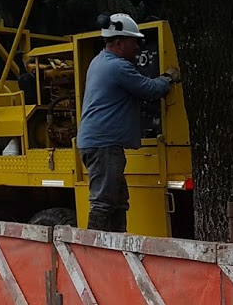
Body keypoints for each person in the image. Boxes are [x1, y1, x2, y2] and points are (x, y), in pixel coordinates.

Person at [77, 13, 180, 231]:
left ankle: (117, 248)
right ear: (119, 42)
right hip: (104, 144)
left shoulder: (99, 62)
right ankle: (93, 252)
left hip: (100, 142)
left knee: (118, 201)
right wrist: (169, 78)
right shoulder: (117, 67)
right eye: (134, 41)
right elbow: (150, 90)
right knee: (104, 202)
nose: (137, 47)